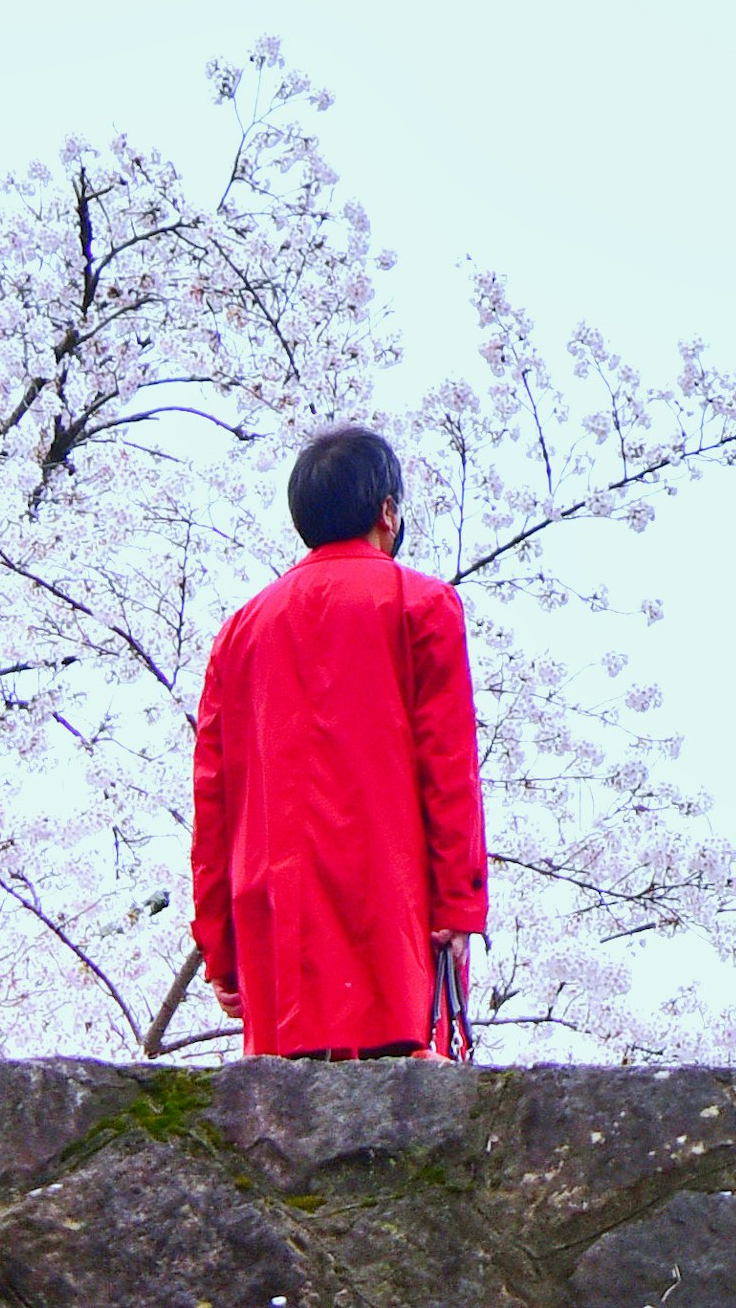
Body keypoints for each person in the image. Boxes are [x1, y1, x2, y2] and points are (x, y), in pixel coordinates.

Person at [190, 425, 489, 1060]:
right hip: (391, 920)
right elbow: (448, 768)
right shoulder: (422, 604)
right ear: (387, 510)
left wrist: (221, 948)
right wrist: (456, 907)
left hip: (279, 934)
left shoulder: (240, 633)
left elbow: (213, 800)